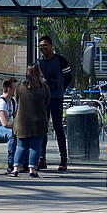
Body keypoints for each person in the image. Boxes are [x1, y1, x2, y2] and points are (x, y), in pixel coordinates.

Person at [37, 35, 71, 171]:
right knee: (42, 129)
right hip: (43, 100)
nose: (43, 48)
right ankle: (41, 158)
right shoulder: (39, 63)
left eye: (45, 45)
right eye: (41, 46)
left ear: (51, 46)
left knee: (58, 129)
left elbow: (68, 77)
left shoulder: (61, 61)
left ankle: (63, 159)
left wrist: (61, 90)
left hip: (56, 99)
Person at [10, 64, 51, 178]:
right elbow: (47, 102)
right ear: (39, 72)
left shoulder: (20, 87)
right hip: (39, 121)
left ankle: (15, 169)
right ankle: (32, 170)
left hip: (22, 122)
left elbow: (17, 100)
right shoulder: (44, 87)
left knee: (21, 146)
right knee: (35, 146)